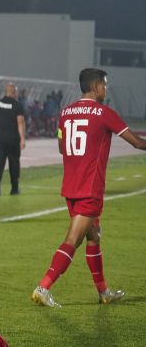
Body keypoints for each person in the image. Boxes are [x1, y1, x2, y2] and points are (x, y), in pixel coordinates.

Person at [31, 68, 146, 308]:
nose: (106, 89)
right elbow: (137, 142)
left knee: (94, 236)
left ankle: (104, 292)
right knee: (73, 239)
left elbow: (63, 148)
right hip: (89, 189)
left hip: (71, 187)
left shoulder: (66, 112)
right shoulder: (104, 113)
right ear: (94, 86)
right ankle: (43, 287)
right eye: (104, 85)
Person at [0, 84, 26, 196]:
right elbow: (20, 122)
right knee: (14, 164)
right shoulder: (17, 105)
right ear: (14, 92)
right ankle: (14, 189)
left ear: (5, 92)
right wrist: (22, 138)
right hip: (12, 140)